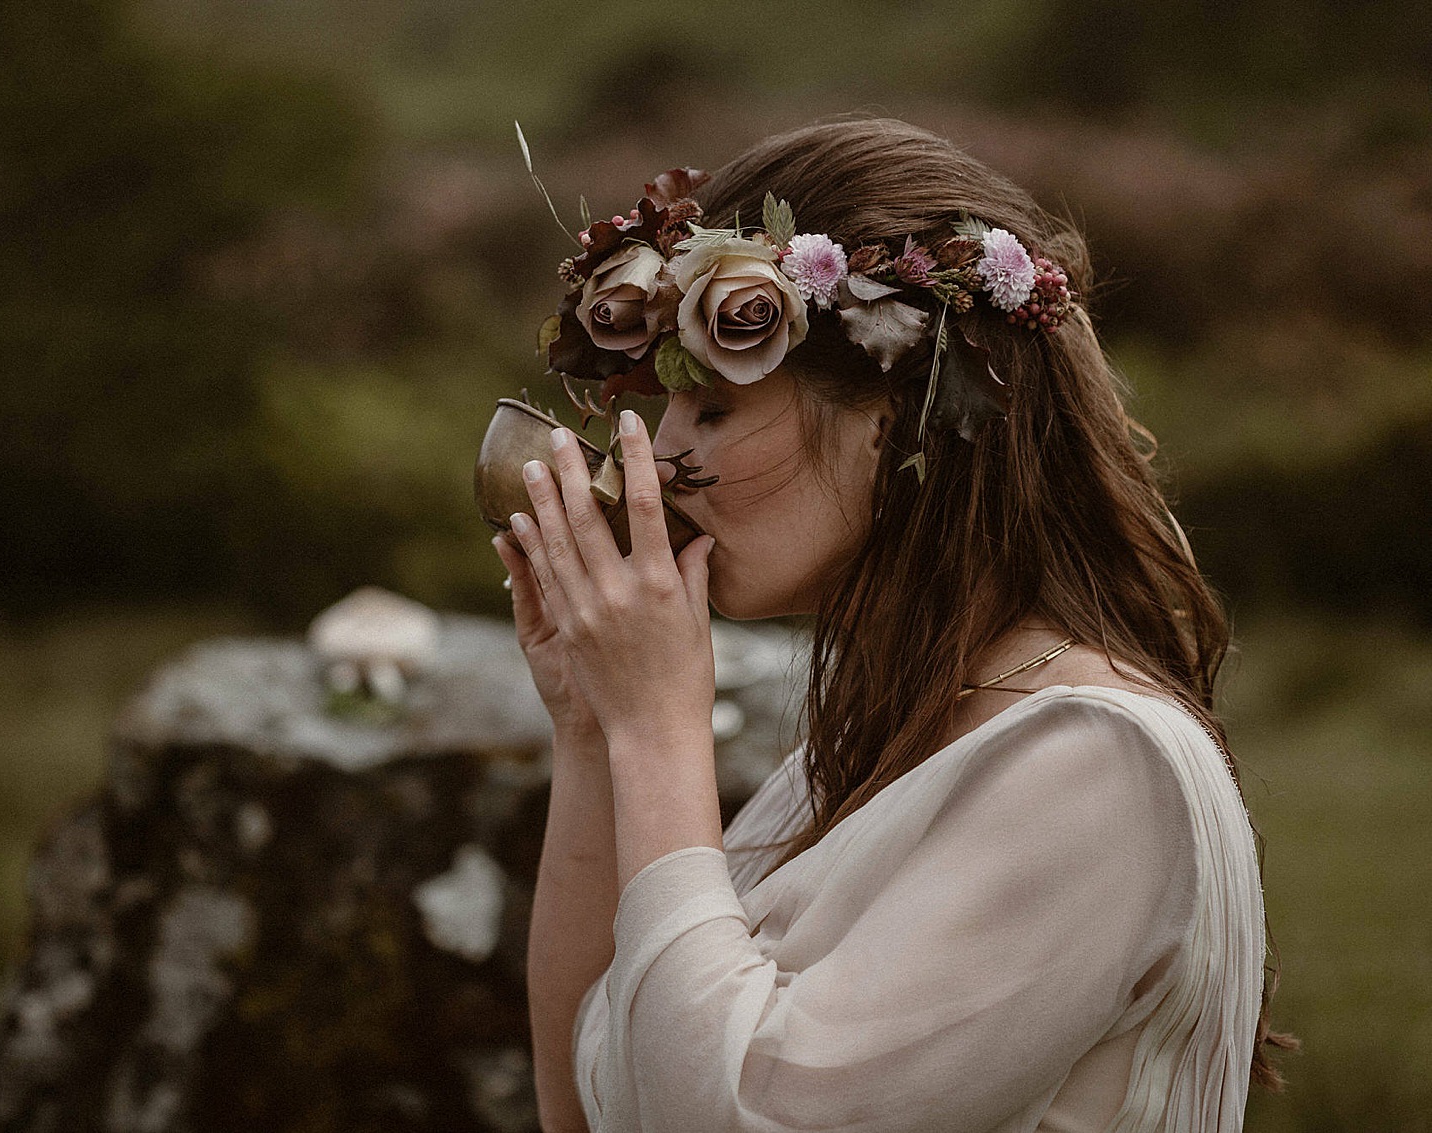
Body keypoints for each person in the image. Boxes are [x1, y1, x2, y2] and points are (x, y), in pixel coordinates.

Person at [491, 117, 1294, 1133]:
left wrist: (657, 727)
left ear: (895, 412)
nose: (647, 461)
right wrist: (592, 730)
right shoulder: (882, 740)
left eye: (713, 409)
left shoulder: (1095, 761)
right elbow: (588, 1106)